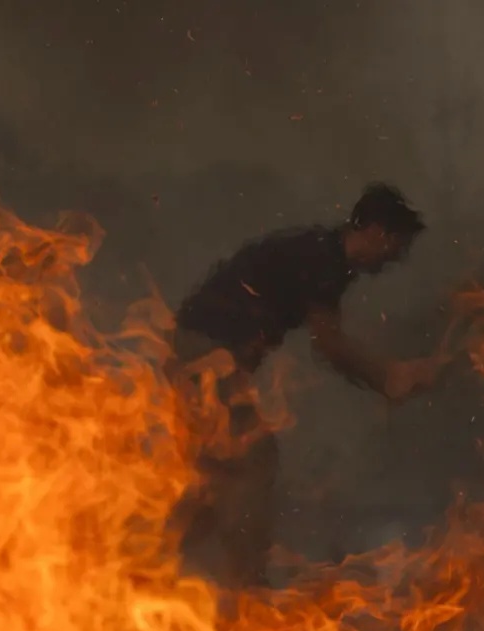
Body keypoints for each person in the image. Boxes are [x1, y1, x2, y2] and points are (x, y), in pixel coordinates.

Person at [168, 183, 440, 588]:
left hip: (198, 351)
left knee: (217, 470)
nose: (393, 260)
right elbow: (328, 344)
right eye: (395, 247)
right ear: (378, 231)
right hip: (205, 354)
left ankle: (156, 562)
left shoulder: (320, 253)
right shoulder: (325, 260)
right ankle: (246, 589)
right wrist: (389, 377)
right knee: (254, 457)